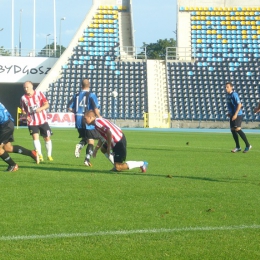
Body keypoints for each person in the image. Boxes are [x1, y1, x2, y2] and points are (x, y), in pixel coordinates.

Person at [84, 110, 148, 172]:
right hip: (115, 139)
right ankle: (115, 165)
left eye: (85, 119)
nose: (84, 121)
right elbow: (103, 137)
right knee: (103, 149)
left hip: (118, 141)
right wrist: (96, 149)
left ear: (90, 117)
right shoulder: (97, 122)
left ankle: (142, 164)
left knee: (118, 167)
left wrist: (109, 147)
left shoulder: (97, 123)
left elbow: (109, 132)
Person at [68, 78, 113, 167]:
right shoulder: (91, 95)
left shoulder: (76, 95)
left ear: (81, 86)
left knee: (88, 137)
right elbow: (95, 108)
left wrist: (77, 113)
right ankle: (86, 156)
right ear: (89, 85)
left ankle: (83, 151)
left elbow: (69, 107)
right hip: (88, 121)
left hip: (78, 121)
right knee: (98, 138)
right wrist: (100, 117)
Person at [0, 102, 39, 172]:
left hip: (5, 126)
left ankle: (13, 165)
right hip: (8, 124)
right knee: (8, 148)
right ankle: (32, 153)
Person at [20, 81, 53, 162]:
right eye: (24, 88)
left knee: (47, 138)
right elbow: (23, 110)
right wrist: (26, 116)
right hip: (32, 122)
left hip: (43, 120)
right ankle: (39, 155)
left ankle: (49, 155)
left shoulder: (39, 94)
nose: (26, 89)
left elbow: (47, 104)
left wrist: (40, 109)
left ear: (31, 87)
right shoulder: (23, 98)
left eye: (27, 87)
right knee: (35, 137)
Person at [226, 82, 252, 153]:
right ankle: (238, 147)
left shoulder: (234, 94)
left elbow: (239, 104)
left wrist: (235, 114)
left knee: (237, 129)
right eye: (225, 87)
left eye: (227, 87)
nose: (226, 88)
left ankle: (248, 145)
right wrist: (230, 113)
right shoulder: (228, 95)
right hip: (232, 114)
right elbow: (232, 105)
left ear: (231, 87)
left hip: (237, 115)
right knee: (232, 130)